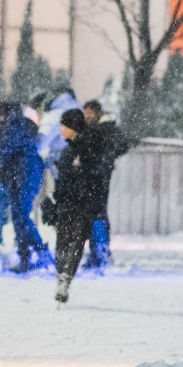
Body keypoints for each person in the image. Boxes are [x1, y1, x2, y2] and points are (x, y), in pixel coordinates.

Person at [52, 110, 114, 304]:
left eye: (64, 126)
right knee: (66, 241)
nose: (61, 130)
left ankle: (65, 278)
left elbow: (95, 176)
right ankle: (63, 278)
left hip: (81, 204)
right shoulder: (69, 149)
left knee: (73, 242)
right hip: (67, 204)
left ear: (71, 128)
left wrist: (84, 193)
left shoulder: (87, 148)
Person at [0, 102, 49, 272]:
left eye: (1, 115)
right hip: (18, 177)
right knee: (18, 216)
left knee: (21, 215)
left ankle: (41, 252)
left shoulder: (14, 129)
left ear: (9, 115)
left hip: (26, 176)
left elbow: (2, 152)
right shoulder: (13, 128)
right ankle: (25, 256)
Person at [78, 99, 127, 271]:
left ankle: (101, 254)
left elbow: (123, 144)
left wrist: (104, 160)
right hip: (91, 175)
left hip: (98, 176)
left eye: (90, 113)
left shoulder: (106, 129)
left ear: (98, 113)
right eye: (85, 114)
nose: (88, 117)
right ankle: (97, 253)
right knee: (95, 215)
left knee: (97, 214)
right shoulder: (96, 129)